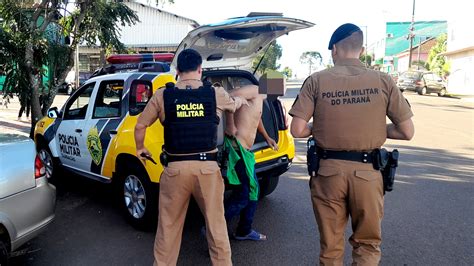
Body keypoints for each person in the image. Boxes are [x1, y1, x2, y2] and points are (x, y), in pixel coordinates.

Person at [289, 23, 414, 265]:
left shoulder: (316, 80)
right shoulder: (384, 80)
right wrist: (376, 128)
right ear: (363, 49)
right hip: (368, 175)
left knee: (331, 247)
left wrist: (322, 126)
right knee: (367, 245)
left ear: (334, 49)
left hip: (328, 174)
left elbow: (298, 129)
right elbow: (406, 131)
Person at [134, 49, 247, 265]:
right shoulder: (215, 93)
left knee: (168, 229)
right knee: (216, 227)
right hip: (207, 170)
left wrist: (141, 149)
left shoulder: (162, 95)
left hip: (175, 171)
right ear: (200, 69)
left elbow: (140, 125)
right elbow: (234, 105)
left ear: (177, 71)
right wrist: (241, 102)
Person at [222, 83, 278, 241]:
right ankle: (213, 227)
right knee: (243, 195)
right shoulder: (255, 90)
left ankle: (244, 230)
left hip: (246, 152)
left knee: (253, 191)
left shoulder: (261, 97)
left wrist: (267, 138)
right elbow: (228, 97)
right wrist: (230, 125)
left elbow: (256, 118)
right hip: (237, 149)